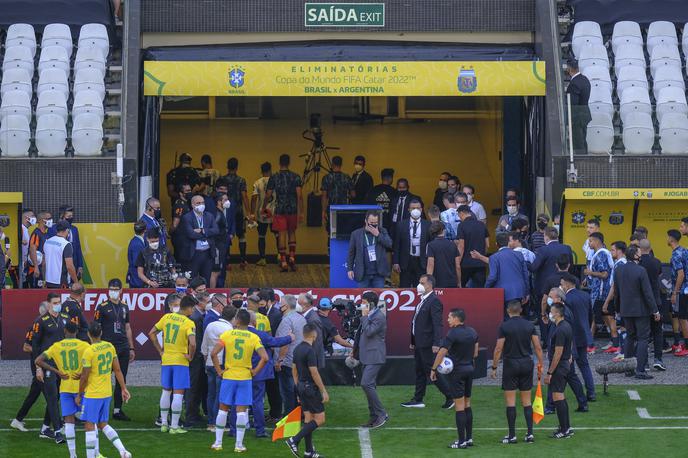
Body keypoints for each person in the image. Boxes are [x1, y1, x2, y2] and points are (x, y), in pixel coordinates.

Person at [210, 309, 269, 453]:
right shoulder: (253, 337)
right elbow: (265, 358)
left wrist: (219, 370)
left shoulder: (227, 334)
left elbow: (213, 353)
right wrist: (255, 371)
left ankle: (218, 443)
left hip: (229, 376)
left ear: (236, 320)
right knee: (241, 412)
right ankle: (239, 445)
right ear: (249, 321)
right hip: (245, 378)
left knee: (223, 409)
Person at [490, 300, 544, 444]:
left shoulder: (504, 326)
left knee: (511, 402)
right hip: (526, 363)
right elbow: (538, 347)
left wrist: (494, 367)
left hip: (511, 364)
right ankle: (530, 434)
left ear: (508, 311)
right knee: (527, 401)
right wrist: (541, 364)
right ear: (520, 310)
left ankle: (512, 435)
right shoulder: (529, 325)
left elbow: (498, 349)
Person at [76, 322, 132, 458]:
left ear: (89, 334)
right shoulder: (110, 347)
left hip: (93, 394)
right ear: (101, 333)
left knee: (89, 426)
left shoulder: (88, 351)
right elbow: (117, 370)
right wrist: (124, 388)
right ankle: (123, 451)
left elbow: (84, 377)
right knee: (103, 424)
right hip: (106, 393)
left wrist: (79, 394)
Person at [35, 321, 90, 458]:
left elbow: (38, 360)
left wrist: (57, 371)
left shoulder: (56, 346)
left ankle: (73, 455)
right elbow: (92, 363)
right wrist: (83, 373)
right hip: (81, 389)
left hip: (65, 389)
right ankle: (93, 454)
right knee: (90, 422)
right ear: (76, 331)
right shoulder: (84, 345)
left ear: (64, 331)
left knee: (69, 422)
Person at [148, 295, 197, 434]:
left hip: (167, 359)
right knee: (178, 394)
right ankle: (174, 426)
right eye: (192, 308)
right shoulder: (188, 323)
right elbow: (192, 343)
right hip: (180, 361)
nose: (193, 311)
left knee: (166, 391)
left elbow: (151, 333)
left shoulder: (166, 317)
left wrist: (160, 351)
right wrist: (190, 356)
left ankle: (164, 423)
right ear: (187, 308)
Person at [430, 308, 478, 449]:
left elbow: (442, 352)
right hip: (469, 369)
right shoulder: (472, 332)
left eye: (450, 317)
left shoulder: (452, 333)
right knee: (467, 403)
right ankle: (469, 439)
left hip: (457, 372)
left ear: (457, 319)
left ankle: (461, 441)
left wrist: (434, 369)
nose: (448, 320)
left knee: (459, 406)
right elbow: (475, 352)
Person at [402, 274, 453, 409]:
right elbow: (415, 323)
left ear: (429, 285)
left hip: (428, 344)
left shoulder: (434, 301)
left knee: (432, 371)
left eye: (422, 283)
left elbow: (438, 324)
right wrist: (413, 340)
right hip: (419, 343)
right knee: (419, 371)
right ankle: (418, 399)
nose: (419, 285)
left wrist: (437, 343)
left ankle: (450, 396)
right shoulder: (422, 301)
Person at [614, 245, 660, 379]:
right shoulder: (641, 270)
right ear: (635, 255)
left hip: (625, 310)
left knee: (629, 337)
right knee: (642, 339)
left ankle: (628, 369)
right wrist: (655, 310)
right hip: (641, 310)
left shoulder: (619, 270)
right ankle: (640, 370)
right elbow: (647, 293)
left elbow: (617, 293)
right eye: (639, 253)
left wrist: (617, 309)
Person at [285, 323, 330, 458]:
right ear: (314, 335)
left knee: (308, 419)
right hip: (310, 388)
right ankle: (294, 439)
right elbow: (314, 372)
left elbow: (294, 369)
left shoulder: (297, 349)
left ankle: (308, 451)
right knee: (320, 419)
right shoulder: (310, 351)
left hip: (301, 386)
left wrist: (298, 387)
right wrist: (323, 390)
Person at [94, 279, 135, 421]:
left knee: (121, 378)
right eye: (111, 288)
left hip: (123, 346)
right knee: (102, 377)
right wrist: (97, 346)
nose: (114, 291)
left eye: (116, 289)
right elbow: (96, 328)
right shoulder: (102, 307)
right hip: (107, 347)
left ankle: (117, 410)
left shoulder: (124, 306)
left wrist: (131, 347)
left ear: (121, 290)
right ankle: (98, 408)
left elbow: (128, 327)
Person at [247, 311, 293, 438]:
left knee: (239, 401)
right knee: (257, 401)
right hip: (258, 372)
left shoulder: (232, 334)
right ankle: (260, 430)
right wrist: (290, 337)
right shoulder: (259, 334)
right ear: (254, 322)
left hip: (240, 372)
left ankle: (235, 429)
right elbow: (274, 342)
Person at [11, 302, 52, 435]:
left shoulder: (47, 326)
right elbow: (25, 346)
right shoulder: (35, 326)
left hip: (43, 364)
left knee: (34, 394)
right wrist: (41, 351)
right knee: (50, 396)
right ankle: (51, 424)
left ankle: (18, 419)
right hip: (38, 365)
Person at [353, 291, 388, 429]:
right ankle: (373, 416)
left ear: (370, 303)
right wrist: (354, 350)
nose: (361, 304)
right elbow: (361, 335)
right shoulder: (370, 316)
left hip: (375, 356)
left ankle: (381, 413)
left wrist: (364, 316)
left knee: (366, 384)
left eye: (363, 302)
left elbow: (369, 331)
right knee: (369, 385)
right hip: (366, 355)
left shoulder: (379, 316)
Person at [264, 154, 304, 272]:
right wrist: (301, 212)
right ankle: (292, 257)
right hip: (292, 209)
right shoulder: (296, 177)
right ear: (289, 162)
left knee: (282, 234)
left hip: (280, 209)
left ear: (279, 163)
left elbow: (268, 195)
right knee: (292, 232)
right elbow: (299, 195)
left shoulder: (274, 177)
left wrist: (264, 206)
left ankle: (284, 261)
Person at [560, 274, 596, 402]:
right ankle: (591, 392)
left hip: (571, 337)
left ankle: (559, 396)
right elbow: (591, 316)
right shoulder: (585, 296)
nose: (561, 287)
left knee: (569, 368)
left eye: (562, 284)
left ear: (568, 284)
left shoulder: (566, 299)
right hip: (583, 334)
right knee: (584, 364)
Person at [201, 305, 235, 433]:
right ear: (234, 317)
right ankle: (216, 423)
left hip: (209, 363)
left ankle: (210, 422)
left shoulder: (210, 325)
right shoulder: (228, 329)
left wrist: (206, 362)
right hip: (221, 364)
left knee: (211, 393)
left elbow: (204, 347)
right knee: (219, 395)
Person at [545, 302, 575, 438]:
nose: (550, 314)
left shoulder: (561, 329)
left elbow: (558, 353)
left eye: (551, 311)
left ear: (557, 313)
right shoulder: (566, 326)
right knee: (560, 396)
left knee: (558, 397)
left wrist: (549, 372)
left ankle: (564, 429)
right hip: (564, 364)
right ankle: (566, 427)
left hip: (559, 367)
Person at [478, 232, 530, 310]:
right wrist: (526, 292)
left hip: (502, 293)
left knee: (505, 318)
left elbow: (492, 277)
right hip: (519, 291)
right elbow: (525, 274)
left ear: (496, 244)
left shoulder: (494, 257)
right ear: (508, 242)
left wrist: (486, 289)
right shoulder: (519, 254)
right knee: (516, 315)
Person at [584, 232, 618, 352]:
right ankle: (615, 342)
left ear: (597, 241)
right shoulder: (600, 254)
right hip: (600, 291)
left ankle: (590, 345)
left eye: (591, 241)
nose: (589, 243)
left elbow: (604, 274)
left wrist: (590, 273)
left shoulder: (601, 254)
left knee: (600, 317)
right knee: (605, 318)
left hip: (601, 292)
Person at [638, 239, 668, 369]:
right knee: (657, 331)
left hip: (641, 302)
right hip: (656, 301)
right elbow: (659, 275)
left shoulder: (637, 263)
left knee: (643, 334)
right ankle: (658, 359)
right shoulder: (656, 262)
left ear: (639, 249)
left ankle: (644, 363)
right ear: (650, 249)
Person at [274, 294, 306, 416]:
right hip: (299, 360)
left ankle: (289, 419)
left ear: (285, 306)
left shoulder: (286, 320)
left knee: (288, 393)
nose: (278, 306)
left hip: (287, 362)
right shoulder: (301, 318)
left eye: (280, 303)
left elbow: (285, 342)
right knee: (296, 391)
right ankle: (299, 415)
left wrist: (279, 360)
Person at [347, 210, 393, 288]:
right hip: (363, 273)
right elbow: (351, 253)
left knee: (378, 297)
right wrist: (350, 269)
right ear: (366, 221)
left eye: (376, 223)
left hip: (378, 274)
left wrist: (378, 235)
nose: (374, 225)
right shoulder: (356, 234)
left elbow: (389, 244)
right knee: (363, 297)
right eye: (371, 223)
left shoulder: (382, 231)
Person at [219, 157, 251, 268]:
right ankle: (243, 260)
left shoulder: (222, 179)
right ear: (237, 167)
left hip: (225, 211)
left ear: (227, 167)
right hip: (238, 210)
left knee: (226, 234)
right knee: (241, 235)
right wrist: (249, 212)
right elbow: (244, 196)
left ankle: (226, 262)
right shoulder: (241, 180)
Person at [393, 199, 430, 288]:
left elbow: (430, 244)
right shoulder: (401, 225)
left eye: (418, 208)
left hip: (422, 261)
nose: (415, 210)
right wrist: (395, 262)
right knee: (404, 286)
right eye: (413, 208)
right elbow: (397, 245)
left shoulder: (428, 225)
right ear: (409, 209)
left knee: (421, 287)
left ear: (421, 210)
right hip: (406, 261)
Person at [182, 195, 219, 283]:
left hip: (208, 253)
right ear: (192, 205)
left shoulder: (209, 216)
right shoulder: (187, 217)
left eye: (203, 203)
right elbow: (191, 234)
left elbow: (216, 230)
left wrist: (202, 230)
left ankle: (205, 296)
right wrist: (207, 233)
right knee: (192, 280)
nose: (201, 205)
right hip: (194, 254)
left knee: (206, 280)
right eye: (198, 203)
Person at [529, 227, 573, 300]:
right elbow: (571, 266)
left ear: (546, 237)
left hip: (545, 288)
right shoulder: (567, 248)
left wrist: (525, 261)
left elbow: (533, 267)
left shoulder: (543, 250)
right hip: (564, 285)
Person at [46, 205, 84, 280]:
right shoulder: (52, 229)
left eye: (72, 216)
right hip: (59, 266)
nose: (71, 218)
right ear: (62, 216)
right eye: (69, 216)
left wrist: (80, 266)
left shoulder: (74, 229)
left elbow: (78, 248)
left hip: (74, 264)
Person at [456, 205, 489, 288]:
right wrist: (482, 256)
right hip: (480, 264)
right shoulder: (482, 224)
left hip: (466, 263)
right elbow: (487, 244)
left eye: (459, 215)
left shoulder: (462, 226)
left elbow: (461, 246)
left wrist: (458, 262)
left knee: (462, 289)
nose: (459, 217)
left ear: (461, 213)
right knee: (480, 291)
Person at [251, 162, 276, 266]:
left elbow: (254, 198)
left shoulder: (257, 182)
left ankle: (262, 258)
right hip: (274, 212)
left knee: (261, 236)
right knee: (278, 235)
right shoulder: (276, 181)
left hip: (262, 213)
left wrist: (252, 213)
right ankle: (280, 256)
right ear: (270, 170)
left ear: (261, 171)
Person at [668, 230, 688, 356]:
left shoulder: (676, 254)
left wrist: (675, 292)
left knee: (682, 318)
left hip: (681, 290)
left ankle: (686, 346)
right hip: (686, 288)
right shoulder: (685, 250)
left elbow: (680, 274)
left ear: (671, 239)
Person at [566, 59, 592, 154]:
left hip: (577, 117)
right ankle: (585, 160)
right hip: (584, 114)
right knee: (583, 140)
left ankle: (580, 162)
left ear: (569, 69)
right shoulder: (585, 79)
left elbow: (572, 103)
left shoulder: (574, 84)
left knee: (578, 143)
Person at [320, 155, 352, 232]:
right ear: (341, 164)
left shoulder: (326, 178)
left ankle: (331, 243)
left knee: (332, 231)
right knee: (342, 231)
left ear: (332, 164)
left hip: (332, 208)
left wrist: (323, 211)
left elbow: (324, 196)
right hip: (344, 209)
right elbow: (353, 194)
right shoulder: (346, 177)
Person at [43, 220, 78, 288]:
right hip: (61, 282)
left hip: (48, 281)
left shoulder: (47, 241)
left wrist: (45, 279)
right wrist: (76, 282)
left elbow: (43, 263)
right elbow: (69, 266)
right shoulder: (66, 244)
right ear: (67, 230)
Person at [210, 192, 234, 288]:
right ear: (219, 201)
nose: (227, 202)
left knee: (218, 271)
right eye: (225, 200)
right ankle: (211, 293)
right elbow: (212, 230)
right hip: (217, 247)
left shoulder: (221, 213)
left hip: (222, 245)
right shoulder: (217, 215)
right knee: (215, 272)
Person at [426, 221, 461, 288]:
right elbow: (458, 266)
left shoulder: (431, 245)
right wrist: (459, 282)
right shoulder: (453, 245)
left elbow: (430, 265)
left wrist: (429, 282)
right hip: (452, 282)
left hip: (437, 282)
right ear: (444, 231)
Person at [364, 168, 397, 234]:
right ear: (390, 178)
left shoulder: (373, 190)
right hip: (389, 225)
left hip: (373, 223)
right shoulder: (394, 192)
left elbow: (366, 206)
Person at [300, 293, 326, 370]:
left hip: (313, 363)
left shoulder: (313, 319)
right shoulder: (308, 316)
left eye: (298, 303)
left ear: (305, 304)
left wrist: (311, 361)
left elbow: (316, 341)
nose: (297, 305)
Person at [28, 210, 51, 288]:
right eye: (48, 218)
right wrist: (36, 267)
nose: (51, 220)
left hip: (42, 270)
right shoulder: (36, 233)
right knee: (35, 292)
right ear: (42, 220)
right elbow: (32, 249)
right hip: (35, 270)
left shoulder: (46, 234)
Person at [170, 183, 192, 262]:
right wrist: (170, 233)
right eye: (187, 191)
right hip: (181, 238)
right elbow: (175, 223)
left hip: (187, 237)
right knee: (181, 261)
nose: (189, 192)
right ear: (180, 193)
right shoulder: (179, 204)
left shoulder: (188, 203)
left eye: (190, 190)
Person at [126, 221, 147, 287]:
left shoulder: (137, 241)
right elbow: (137, 263)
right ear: (145, 230)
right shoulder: (137, 244)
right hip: (136, 279)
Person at [20, 208, 35, 286]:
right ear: (26, 218)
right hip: (21, 265)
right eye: (32, 216)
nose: (34, 218)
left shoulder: (25, 229)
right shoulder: (20, 229)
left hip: (25, 264)